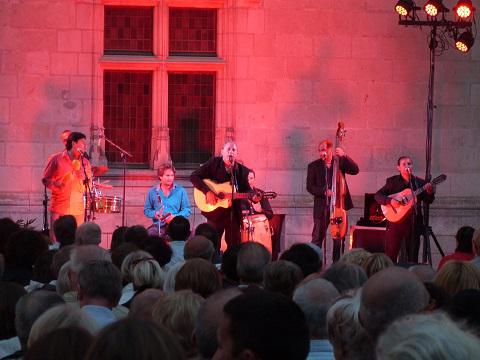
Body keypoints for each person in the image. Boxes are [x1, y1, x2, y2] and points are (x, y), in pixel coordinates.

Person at [190, 141, 251, 251]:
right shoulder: (213, 163)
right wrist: (207, 191)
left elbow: (247, 190)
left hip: (233, 213)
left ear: (237, 153)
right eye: (228, 149)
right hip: (215, 212)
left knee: (234, 246)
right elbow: (194, 176)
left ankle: (230, 266)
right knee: (212, 243)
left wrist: (254, 197)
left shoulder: (243, 171)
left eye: (233, 150)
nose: (231, 152)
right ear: (222, 151)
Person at [306, 139, 359, 262]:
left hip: (339, 207)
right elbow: (310, 187)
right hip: (322, 208)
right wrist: (324, 192)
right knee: (317, 239)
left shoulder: (339, 162)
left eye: (323, 150)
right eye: (319, 150)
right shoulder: (313, 166)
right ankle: (314, 265)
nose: (321, 153)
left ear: (330, 150)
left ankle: (336, 266)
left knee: (338, 240)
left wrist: (344, 156)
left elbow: (355, 170)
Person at [375, 156, 434, 263]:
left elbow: (428, 200)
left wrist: (430, 192)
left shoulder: (420, 183)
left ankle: (410, 275)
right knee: (391, 253)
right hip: (395, 223)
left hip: (413, 223)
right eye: (404, 164)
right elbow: (378, 196)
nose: (407, 166)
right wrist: (390, 201)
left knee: (412, 255)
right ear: (398, 168)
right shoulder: (392, 182)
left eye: (409, 163)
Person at [42, 132, 93, 236]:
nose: (85, 146)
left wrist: (82, 179)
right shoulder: (56, 159)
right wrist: (56, 185)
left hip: (77, 209)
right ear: (74, 144)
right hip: (59, 207)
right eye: (83, 143)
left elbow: (89, 186)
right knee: (57, 239)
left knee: (76, 239)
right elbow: (45, 179)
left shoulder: (85, 163)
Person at [144, 163, 191, 236]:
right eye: (167, 175)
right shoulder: (152, 192)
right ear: (160, 176)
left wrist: (175, 217)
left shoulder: (181, 190)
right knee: (149, 234)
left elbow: (187, 210)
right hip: (158, 226)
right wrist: (155, 214)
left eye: (172, 175)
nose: (170, 178)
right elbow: (147, 210)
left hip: (176, 225)